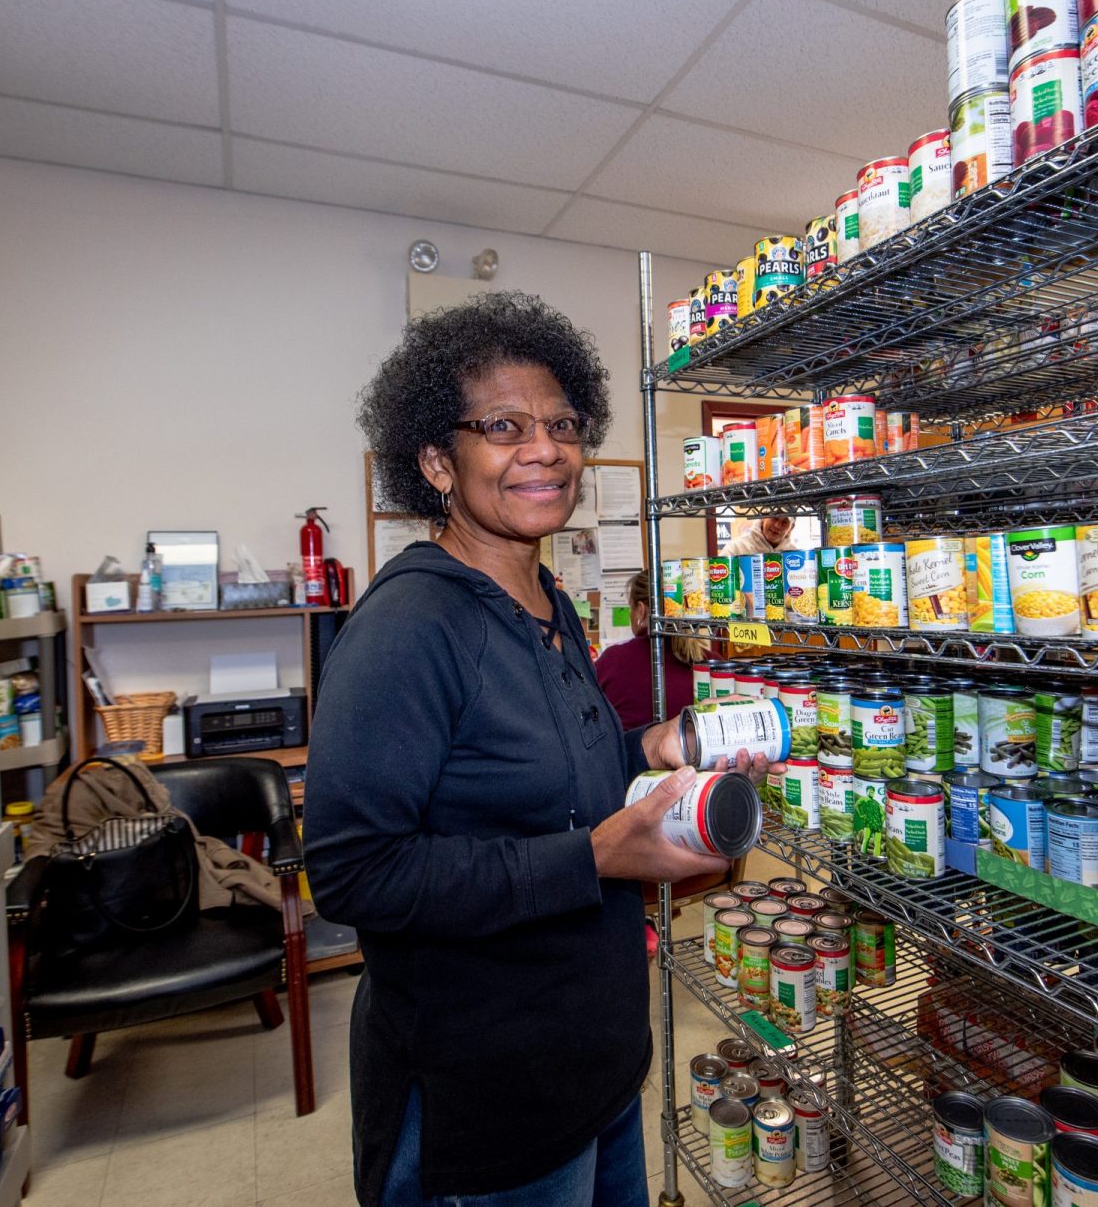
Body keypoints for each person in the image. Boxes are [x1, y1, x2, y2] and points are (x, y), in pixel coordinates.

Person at [304, 293, 776, 1207]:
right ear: (439, 461)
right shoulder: (412, 625)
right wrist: (593, 856)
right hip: (484, 1104)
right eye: (505, 426)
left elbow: (543, 776)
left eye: (562, 424)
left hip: (592, 1072)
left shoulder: (545, 599)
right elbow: (355, 873)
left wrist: (655, 743)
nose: (546, 447)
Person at [594, 569, 707, 731]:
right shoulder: (711, 664)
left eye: (630, 608)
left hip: (633, 755)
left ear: (640, 610)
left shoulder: (613, 662)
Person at [723, 513, 794, 557]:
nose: (777, 525)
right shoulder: (736, 548)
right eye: (774, 518)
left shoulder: (795, 554)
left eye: (785, 522)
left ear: (791, 528)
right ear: (763, 517)